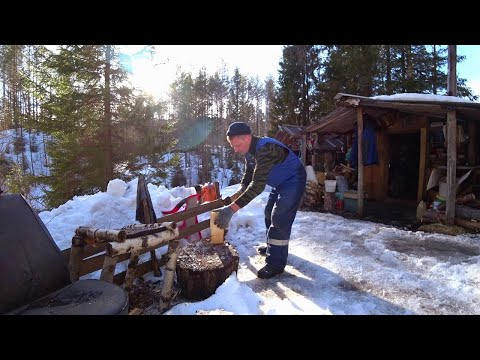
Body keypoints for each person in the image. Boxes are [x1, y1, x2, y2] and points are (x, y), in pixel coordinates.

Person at [212, 122, 306, 279]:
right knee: (269, 213)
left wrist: (231, 209)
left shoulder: (265, 149)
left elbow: (257, 186)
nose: (236, 150)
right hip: (279, 183)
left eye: (237, 145)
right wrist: (240, 191)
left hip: (293, 180)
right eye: (233, 146)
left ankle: (275, 264)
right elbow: (249, 175)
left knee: (280, 218)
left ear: (248, 137)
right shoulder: (249, 151)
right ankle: (273, 247)